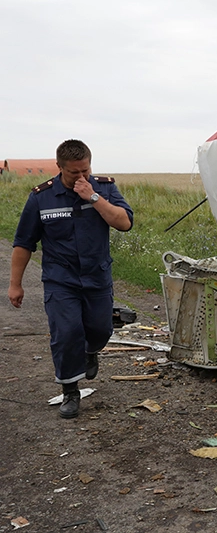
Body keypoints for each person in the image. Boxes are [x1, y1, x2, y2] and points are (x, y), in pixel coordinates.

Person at [7, 139, 133, 419]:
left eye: (85, 170)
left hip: (97, 277)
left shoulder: (104, 188)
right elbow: (23, 243)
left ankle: (90, 351)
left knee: (100, 330)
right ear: (59, 167)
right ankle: (70, 392)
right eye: (74, 173)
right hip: (60, 279)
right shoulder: (41, 197)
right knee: (66, 334)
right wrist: (15, 284)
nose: (81, 177)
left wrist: (94, 197)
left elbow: (124, 223)